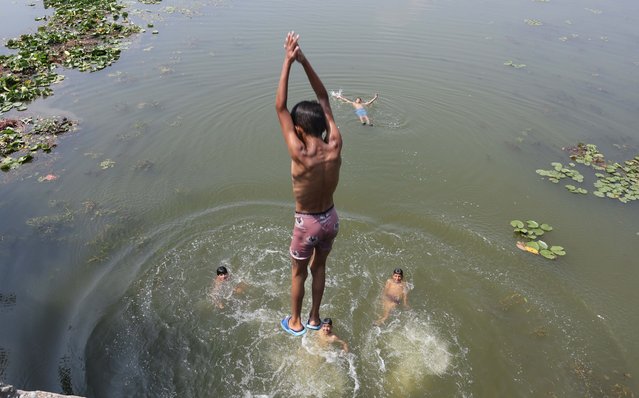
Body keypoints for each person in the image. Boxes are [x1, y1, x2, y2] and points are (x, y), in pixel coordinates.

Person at [276, 32, 342, 337]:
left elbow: (280, 107)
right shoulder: (335, 144)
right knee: (320, 268)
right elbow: (324, 98)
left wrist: (288, 62)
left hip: (307, 223)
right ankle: (315, 318)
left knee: (298, 272)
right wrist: (304, 61)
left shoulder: (300, 152)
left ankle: (296, 322)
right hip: (331, 219)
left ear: (300, 129)